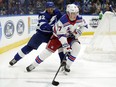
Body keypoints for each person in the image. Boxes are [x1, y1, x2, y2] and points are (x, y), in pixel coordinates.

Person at [26, 4, 88, 74]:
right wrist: (65, 45)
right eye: (72, 13)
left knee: (77, 47)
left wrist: (79, 32)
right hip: (58, 37)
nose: (74, 15)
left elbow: (85, 26)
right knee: (47, 52)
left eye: (75, 13)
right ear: (68, 13)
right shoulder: (62, 21)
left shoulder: (79, 18)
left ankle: (67, 66)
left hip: (70, 36)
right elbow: (61, 35)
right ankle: (34, 64)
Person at [9, 1, 62, 66]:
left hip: (51, 35)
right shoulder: (42, 14)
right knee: (29, 47)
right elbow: (44, 26)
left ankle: (63, 62)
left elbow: (63, 21)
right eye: (48, 8)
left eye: (51, 8)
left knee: (60, 44)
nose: (50, 10)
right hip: (40, 34)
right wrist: (54, 28)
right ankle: (15, 59)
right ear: (46, 8)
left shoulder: (57, 13)